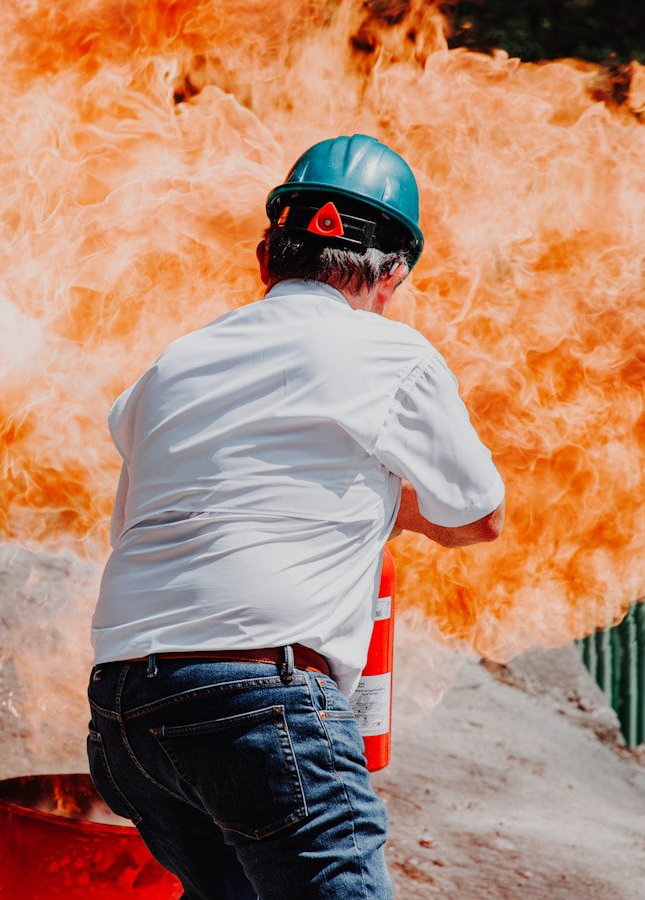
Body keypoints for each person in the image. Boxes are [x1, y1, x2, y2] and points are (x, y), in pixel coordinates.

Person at [85, 134, 506, 899]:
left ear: (264, 256)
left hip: (124, 717)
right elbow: (479, 513)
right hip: (260, 704)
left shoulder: (175, 361)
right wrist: (392, 504)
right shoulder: (389, 354)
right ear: (395, 274)